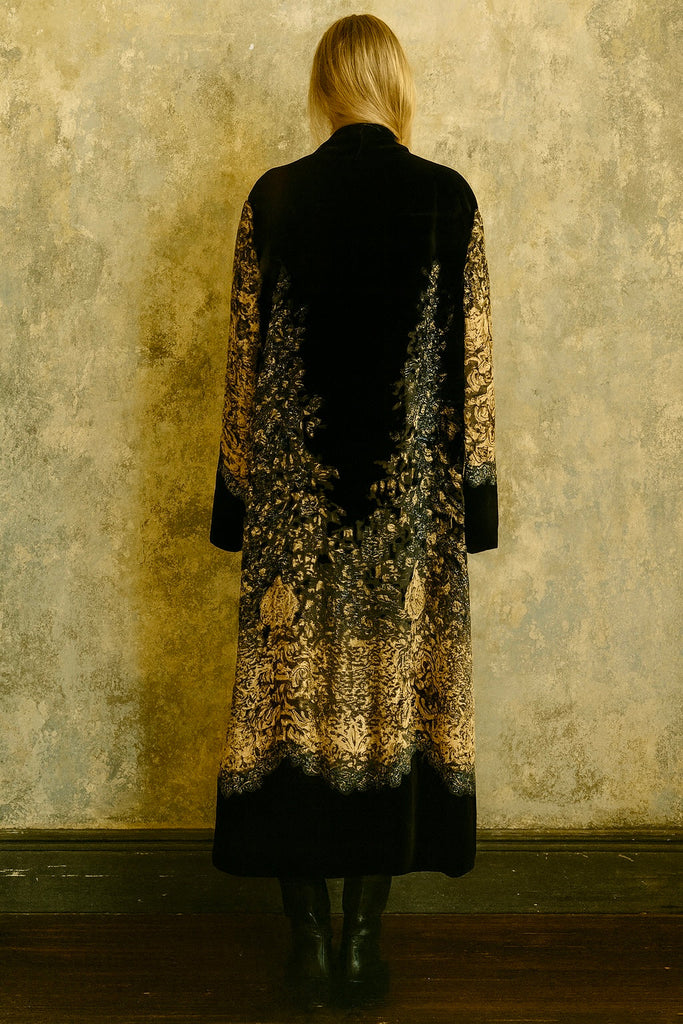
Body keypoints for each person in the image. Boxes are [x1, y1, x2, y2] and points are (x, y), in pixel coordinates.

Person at [208, 13, 498, 1010]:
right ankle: (364, 944)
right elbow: (471, 365)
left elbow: (245, 366)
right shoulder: (447, 200)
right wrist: (475, 504)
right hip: (406, 517)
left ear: (325, 86)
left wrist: (236, 505)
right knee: (390, 718)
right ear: (395, 83)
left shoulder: (274, 198)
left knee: (288, 715)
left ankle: (305, 946)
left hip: (293, 515)